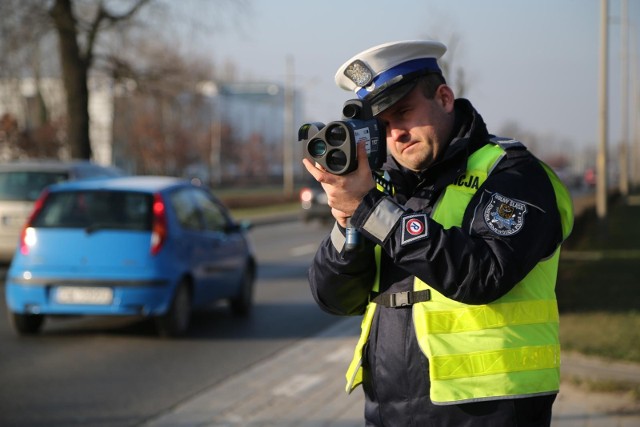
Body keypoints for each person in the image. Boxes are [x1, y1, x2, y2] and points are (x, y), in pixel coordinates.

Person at [302, 40, 574, 426]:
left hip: (487, 412)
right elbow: (333, 299)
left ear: (444, 98)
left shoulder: (512, 174)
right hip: (390, 413)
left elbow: (482, 275)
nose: (396, 133)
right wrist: (349, 222)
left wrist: (369, 209)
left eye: (404, 112)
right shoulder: (385, 190)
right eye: (383, 124)